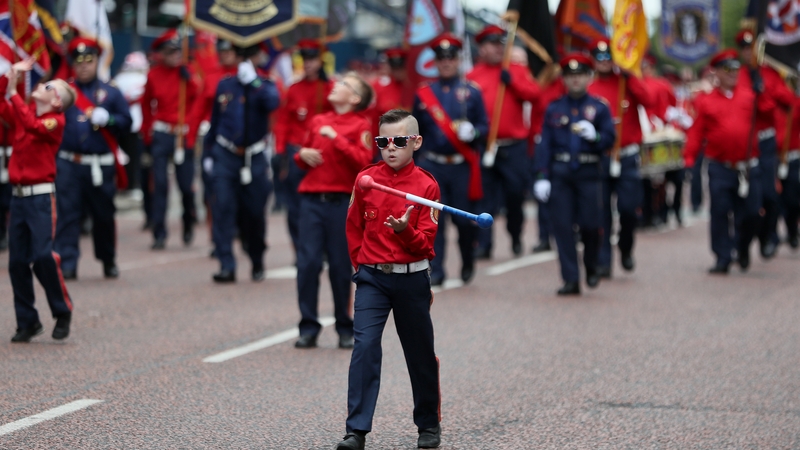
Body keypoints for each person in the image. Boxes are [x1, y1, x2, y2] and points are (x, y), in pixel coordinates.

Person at [337, 109, 441, 450]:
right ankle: (356, 431)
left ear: (416, 142)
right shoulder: (366, 179)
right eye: (383, 141)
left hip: (411, 280)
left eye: (399, 140)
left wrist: (405, 230)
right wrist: (361, 270)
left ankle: (428, 426)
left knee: (420, 353)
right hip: (372, 279)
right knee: (364, 347)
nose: (390, 148)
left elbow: (426, 244)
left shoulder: (427, 185)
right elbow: (353, 229)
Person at [293, 72, 373, 349]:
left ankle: (344, 325)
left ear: (355, 98)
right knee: (308, 263)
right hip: (312, 201)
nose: (336, 86)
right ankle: (308, 325)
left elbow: (364, 161)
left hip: (341, 203)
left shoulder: (360, 124)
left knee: (340, 266)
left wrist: (337, 137)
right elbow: (304, 154)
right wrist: (301, 155)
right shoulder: (318, 120)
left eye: (344, 85)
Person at [1, 60, 77, 342]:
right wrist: (9, 80)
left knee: (43, 255)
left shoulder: (54, 121)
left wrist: (14, 94)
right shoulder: (26, 114)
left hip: (41, 197)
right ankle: (28, 321)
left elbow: (32, 125)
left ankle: (62, 309)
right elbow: (3, 106)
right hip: (19, 197)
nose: (42, 86)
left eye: (48, 87)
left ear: (56, 100)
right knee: (17, 262)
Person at [533, 54, 616, 295]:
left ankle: (591, 264)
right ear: (564, 79)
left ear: (589, 77)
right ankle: (570, 278)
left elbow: (610, 137)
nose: (575, 80)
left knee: (591, 225)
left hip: (589, 171)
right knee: (562, 227)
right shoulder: (554, 108)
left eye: (580, 75)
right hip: (561, 172)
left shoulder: (600, 107)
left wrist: (597, 136)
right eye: (570, 76)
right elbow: (545, 144)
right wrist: (542, 176)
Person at [683, 49, 769, 274]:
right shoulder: (706, 101)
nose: (733, 73)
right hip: (720, 166)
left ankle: (742, 247)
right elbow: (697, 131)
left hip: (748, 167)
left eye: (735, 69)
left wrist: (763, 92)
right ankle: (722, 255)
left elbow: (769, 114)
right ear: (717, 72)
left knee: (752, 212)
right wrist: (689, 158)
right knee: (720, 212)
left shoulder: (750, 95)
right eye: (727, 69)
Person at [54, 38, 132, 280]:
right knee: (68, 214)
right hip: (69, 162)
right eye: (79, 62)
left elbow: (127, 122)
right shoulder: (64, 91)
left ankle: (107, 258)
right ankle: (68, 261)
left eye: (89, 60)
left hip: (100, 164)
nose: (84, 66)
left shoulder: (111, 91)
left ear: (97, 61)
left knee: (103, 215)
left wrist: (108, 119)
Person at [413, 34, 488, 286]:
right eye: (441, 59)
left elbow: (485, 128)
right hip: (432, 164)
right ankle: (437, 271)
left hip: (461, 164)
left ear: (458, 60)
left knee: (463, 221)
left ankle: (467, 259)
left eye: (451, 58)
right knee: (434, 221)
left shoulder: (471, 92)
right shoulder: (424, 93)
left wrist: (473, 133)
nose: (446, 63)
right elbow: (415, 129)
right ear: (436, 62)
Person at [204, 45, 280, 283]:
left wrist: (254, 82)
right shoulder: (225, 84)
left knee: (254, 213)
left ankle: (257, 258)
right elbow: (216, 119)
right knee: (223, 208)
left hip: (254, 156)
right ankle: (226, 264)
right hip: (226, 153)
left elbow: (273, 102)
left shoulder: (265, 84)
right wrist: (208, 152)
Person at [467, 25, 540, 258]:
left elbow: (534, 94)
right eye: (491, 43)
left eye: (500, 43)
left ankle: (515, 233)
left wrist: (513, 82)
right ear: (481, 47)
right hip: (486, 145)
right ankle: (485, 244)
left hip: (513, 146)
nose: (497, 48)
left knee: (515, 195)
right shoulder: (472, 76)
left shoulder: (515, 69)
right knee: (485, 198)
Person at [588, 38, 651, 278]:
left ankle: (625, 247)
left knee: (627, 208)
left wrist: (630, 75)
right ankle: (604, 260)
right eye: (599, 57)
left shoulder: (626, 82)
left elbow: (650, 101)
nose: (604, 62)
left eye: (608, 57)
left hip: (626, 156)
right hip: (600, 157)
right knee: (601, 211)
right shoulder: (590, 86)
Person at [736, 29, 796, 258]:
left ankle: (767, 237)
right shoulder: (737, 75)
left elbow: (788, 102)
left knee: (770, 196)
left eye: (752, 48)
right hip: (745, 144)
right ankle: (742, 245)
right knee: (748, 200)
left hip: (766, 143)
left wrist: (763, 93)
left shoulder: (770, 74)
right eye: (745, 49)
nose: (748, 53)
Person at [140, 29, 201, 250]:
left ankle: (188, 222)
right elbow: (146, 105)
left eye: (177, 51)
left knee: (186, 186)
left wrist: (191, 80)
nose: (175, 56)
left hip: (182, 135)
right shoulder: (153, 75)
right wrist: (147, 133)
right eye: (170, 52)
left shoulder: (187, 73)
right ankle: (159, 232)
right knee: (160, 185)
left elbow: (198, 100)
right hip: (162, 134)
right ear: (161, 54)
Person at [272, 39, 333, 258]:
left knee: (324, 204)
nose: (308, 64)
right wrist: (279, 150)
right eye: (304, 60)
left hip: (322, 155)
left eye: (312, 59)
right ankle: (300, 251)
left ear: (320, 61)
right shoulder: (294, 89)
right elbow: (283, 122)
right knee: (295, 206)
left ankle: (323, 247)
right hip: (296, 152)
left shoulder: (329, 88)